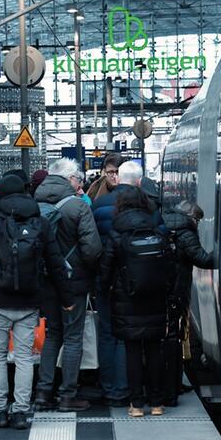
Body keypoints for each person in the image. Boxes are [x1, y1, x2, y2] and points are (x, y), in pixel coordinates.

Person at [0, 174, 72, 430]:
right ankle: (21, 412)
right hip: (29, 301)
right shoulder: (40, 223)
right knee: (25, 357)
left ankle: (0, 411)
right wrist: (66, 298)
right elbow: (56, 264)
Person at [33, 158, 103, 412]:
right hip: (73, 282)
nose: (80, 184)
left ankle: (43, 393)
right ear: (70, 179)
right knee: (73, 338)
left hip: (45, 280)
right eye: (79, 179)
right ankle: (67, 395)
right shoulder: (77, 207)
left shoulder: (35, 204)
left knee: (53, 335)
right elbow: (92, 248)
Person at [101, 185, 176, 417]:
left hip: (127, 299)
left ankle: (136, 404)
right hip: (155, 297)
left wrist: (105, 291)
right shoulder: (157, 230)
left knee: (132, 351)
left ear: (120, 206)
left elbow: (106, 268)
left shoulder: (117, 233)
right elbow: (170, 267)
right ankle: (156, 403)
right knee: (154, 349)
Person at [91, 160, 142, 406]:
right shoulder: (149, 206)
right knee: (127, 336)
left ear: (117, 179)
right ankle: (126, 387)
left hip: (106, 279)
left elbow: (91, 244)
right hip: (137, 281)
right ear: (139, 182)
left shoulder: (99, 205)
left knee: (107, 334)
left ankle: (109, 387)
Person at [162, 200, 214, 406]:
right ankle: (172, 386)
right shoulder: (186, 232)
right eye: (197, 220)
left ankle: (172, 383)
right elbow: (202, 259)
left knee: (170, 339)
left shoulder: (166, 224)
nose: (198, 224)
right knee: (174, 340)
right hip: (177, 290)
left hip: (166, 288)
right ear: (191, 216)